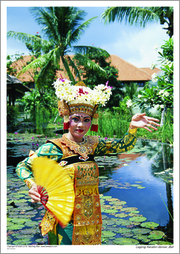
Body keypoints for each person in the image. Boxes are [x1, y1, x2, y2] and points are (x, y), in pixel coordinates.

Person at [16, 78, 160, 245]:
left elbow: (123, 145)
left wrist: (132, 128)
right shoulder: (54, 147)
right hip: (65, 220)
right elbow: (23, 166)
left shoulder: (93, 144)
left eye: (86, 120)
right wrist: (32, 185)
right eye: (75, 118)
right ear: (66, 118)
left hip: (90, 219)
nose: (81, 125)